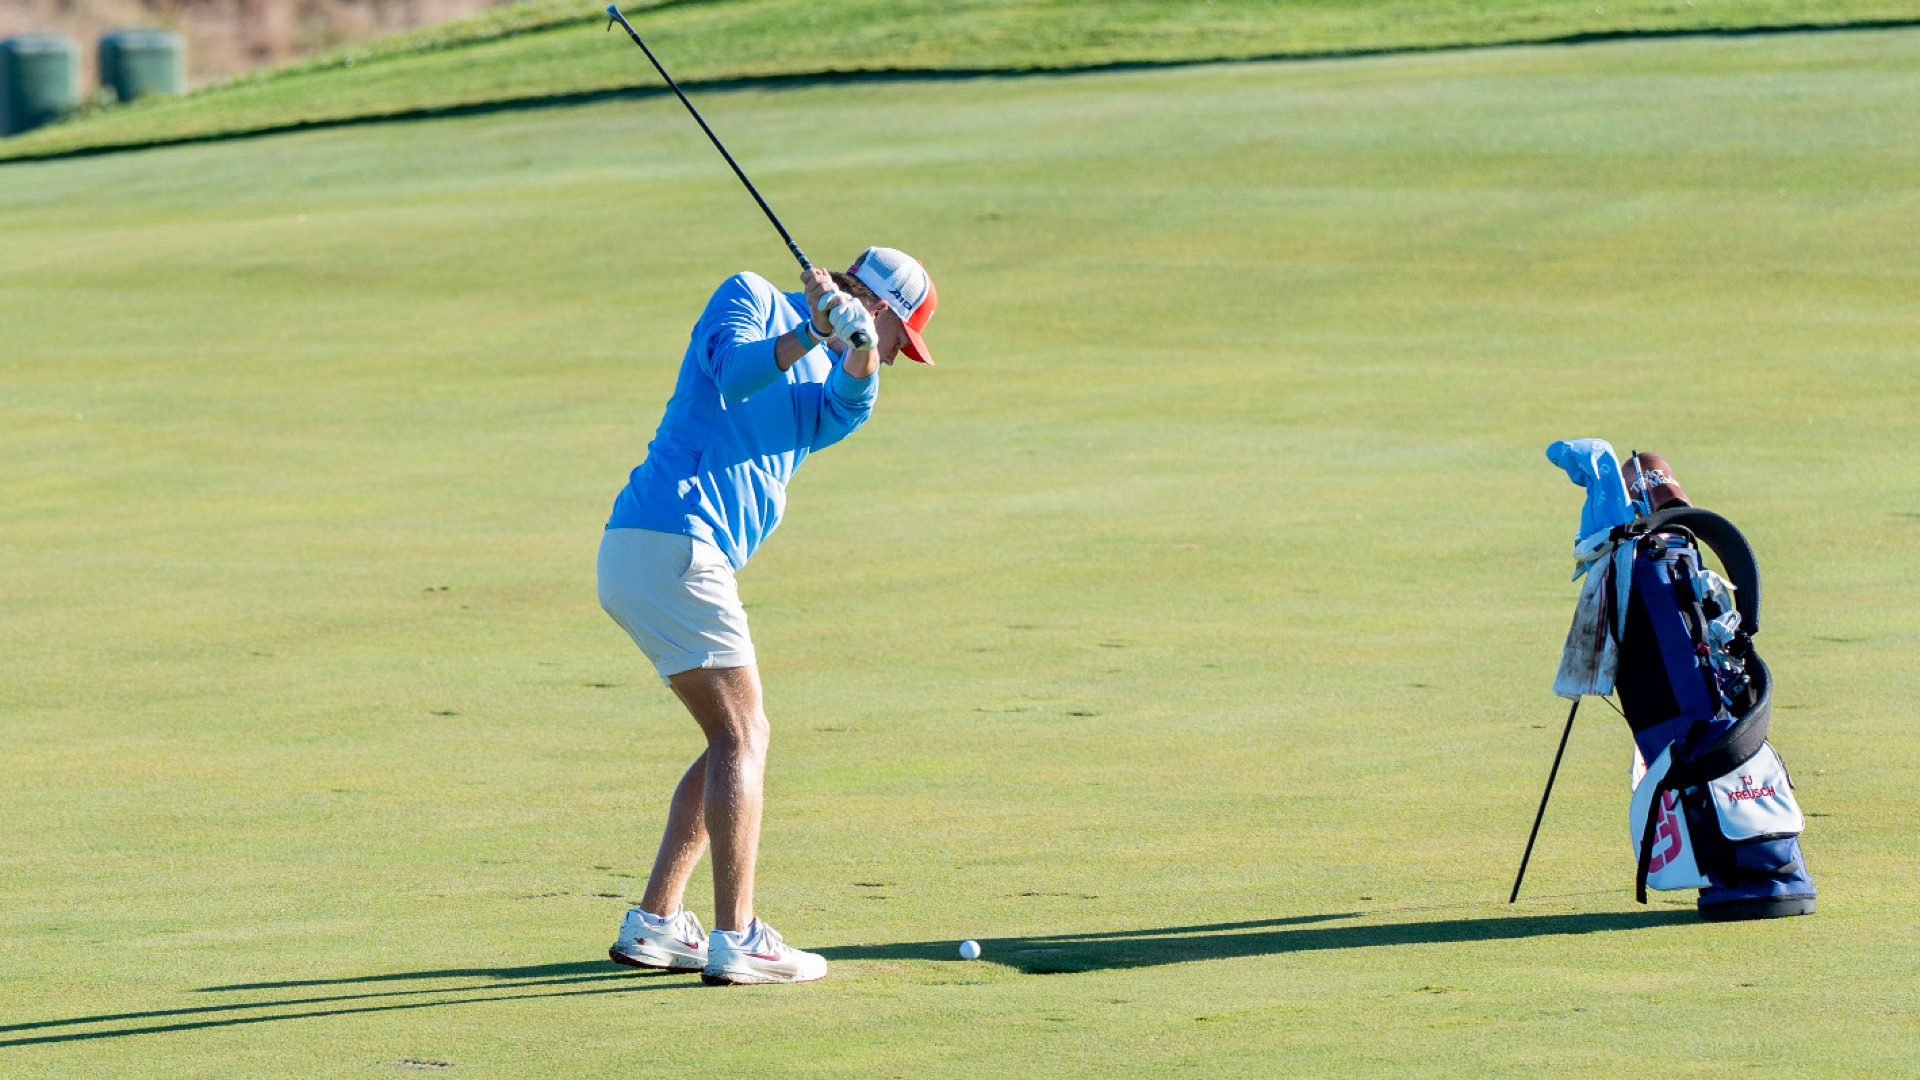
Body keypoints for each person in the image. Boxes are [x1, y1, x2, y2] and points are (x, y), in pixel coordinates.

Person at [597, 247, 937, 985]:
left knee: (731, 735)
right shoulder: (749, 293)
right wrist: (813, 332)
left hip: (657, 551)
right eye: (897, 341)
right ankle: (738, 936)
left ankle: (657, 920)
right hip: (674, 538)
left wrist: (852, 348)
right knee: (744, 734)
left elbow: (851, 406)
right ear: (882, 308)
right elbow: (734, 370)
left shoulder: (843, 366)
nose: (895, 358)